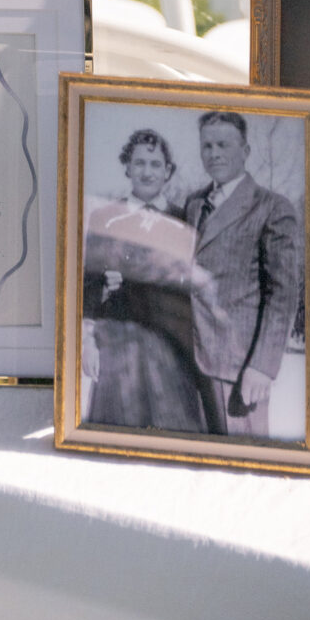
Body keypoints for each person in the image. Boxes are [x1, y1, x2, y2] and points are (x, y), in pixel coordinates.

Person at [183, 111, 302, 437]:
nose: (215, 153)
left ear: (245, 151)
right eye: (207, 146)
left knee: (242, 463)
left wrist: (262, 366)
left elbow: (284, 294)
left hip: (238, 366)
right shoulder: (194, 204)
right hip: (192, 358)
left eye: (223, 144)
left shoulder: (272, 207)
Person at [82, 128, 205, 431]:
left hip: (171, 348)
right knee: (115, 435)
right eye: (139, 163)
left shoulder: (185, 221)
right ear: (127, 167)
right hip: (117, 347)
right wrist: (87, 341)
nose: (146, 172)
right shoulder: (105, 218)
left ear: (168, 171)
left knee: (174, 435)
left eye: (155, 164)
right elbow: (86, 286)